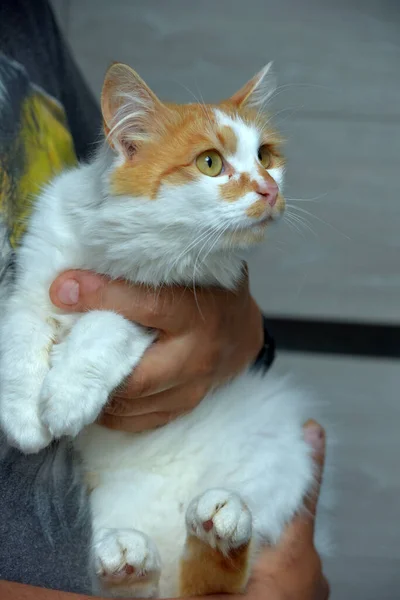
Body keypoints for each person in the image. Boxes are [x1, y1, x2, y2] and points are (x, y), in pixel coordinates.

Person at [0, 1, 329, 598]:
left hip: (180, 466)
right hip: (101, 510)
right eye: (212, 161)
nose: (264, 183)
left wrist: (241, 332)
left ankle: (209, 565)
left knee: (276, 430)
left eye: (266, 156)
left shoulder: (27, 21)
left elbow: (186, 303)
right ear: (130, 146)